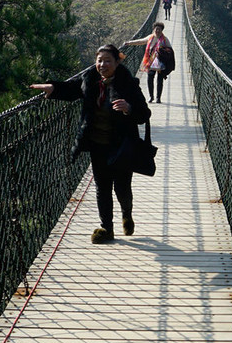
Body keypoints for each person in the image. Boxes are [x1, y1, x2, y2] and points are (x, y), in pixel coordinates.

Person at [30, 45, 151, 243]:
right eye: (99, 60)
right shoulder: (90, 78)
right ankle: (107, 228)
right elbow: (71, 89)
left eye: (108, 61)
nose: (102, 65)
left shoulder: (128, 84)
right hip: (97, 144)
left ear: (117, 62)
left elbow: (144, 114)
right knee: (102, 187)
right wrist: (52, 88)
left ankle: (127, 213)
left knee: (122, 187)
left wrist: (129, 108)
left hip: (121, 145)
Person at [124, 23, 172, 104]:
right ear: (154, 30)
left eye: (159, 29)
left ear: (162, 30)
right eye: (156, 29)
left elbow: (170, 50)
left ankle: (158, 98)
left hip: (161, 62)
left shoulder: (165, 39)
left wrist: (162, 51)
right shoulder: (150, 37)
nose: (157, 31)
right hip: (150, 61)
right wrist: (129, 43)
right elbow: (141, 41)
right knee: (150, 78)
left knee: (160, 80)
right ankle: (151, 96)